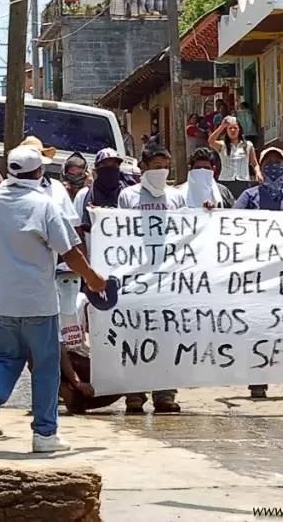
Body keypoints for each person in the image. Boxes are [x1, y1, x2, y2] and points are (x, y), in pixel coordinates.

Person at [0, 145, 107, 453]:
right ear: (39, 173)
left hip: (2, 299)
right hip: (38, 302)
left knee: (6, 360)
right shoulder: (43, 205)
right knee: (45, 366)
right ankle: (45, 434)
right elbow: (70, 252)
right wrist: (94, 279)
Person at [234, 146, 283, 400]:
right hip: (260, 277)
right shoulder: (249, 196)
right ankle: (258, 381)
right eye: (267, 162)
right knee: (259, 329)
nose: (273, 166)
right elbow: (229, 226)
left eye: (277, 162)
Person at [115, 144, 186, 414]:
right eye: (156, 167)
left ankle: (165, 394)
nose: (161, 172)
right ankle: (134, 394)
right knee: (135, 335)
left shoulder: (176, 197)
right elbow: (118, 233)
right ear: (143, 167)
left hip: (167, 277)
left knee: (166, 336)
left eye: (165, 167)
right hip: (136, 276)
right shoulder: (128, 196)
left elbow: (186, 231)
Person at [58, 286, 122, 415]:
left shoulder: (83, 302)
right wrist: (77, 382)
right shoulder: (51, 305)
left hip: (76, 358)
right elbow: (61, 352)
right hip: (60, 359)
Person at [75, 148, 132, 237]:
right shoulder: (84, 195)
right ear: (97, 169)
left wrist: (102, 212)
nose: (110, 169)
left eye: (114, 165)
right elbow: (76, 227)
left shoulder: (128, 195)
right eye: (105, 165)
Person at [209, 115, 261, 198]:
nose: (233, 130)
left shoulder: (248, 145)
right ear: (226, 130)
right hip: (226, 181)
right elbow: (211, 141)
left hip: (243, 181)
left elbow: (255, 164)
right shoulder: (222, 145)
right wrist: (222, 126)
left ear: (239, 130)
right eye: (230, 128)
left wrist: (258, 173)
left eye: (235, 128)